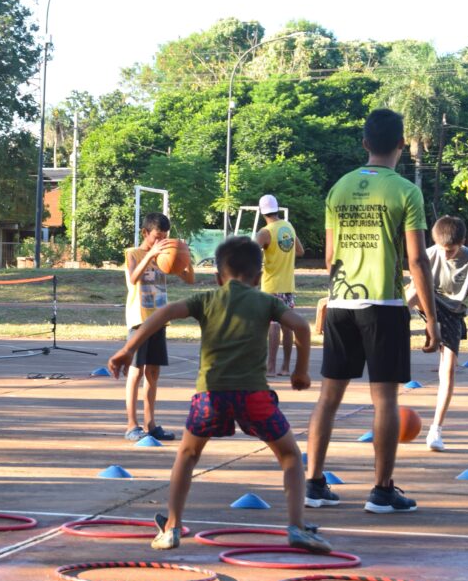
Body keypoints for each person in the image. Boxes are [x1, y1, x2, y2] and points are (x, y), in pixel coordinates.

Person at [109, 236, 331, 554]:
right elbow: (301, 326)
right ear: (258, 277)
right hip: (255, 398)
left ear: (217, 277)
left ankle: (172, 527)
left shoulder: (208, 299)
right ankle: (297, 527)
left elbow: (165, 312)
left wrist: (127, 349)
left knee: (187, 456)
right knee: (291, 457)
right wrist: (301, 371)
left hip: (210, 397)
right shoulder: (267, 301)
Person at [304, 107, 440, 515]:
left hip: (341, 303)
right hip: (382, 305)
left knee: (328, 397)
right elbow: (417, 261)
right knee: (384, 401)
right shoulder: (405, 191)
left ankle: (313, 484)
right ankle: (381, 491)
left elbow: (329, 257)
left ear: (364, 143)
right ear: (402, 144)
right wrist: (431, 317)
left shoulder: (339, 188)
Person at [404, 215, 468, 451]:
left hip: (453, 312)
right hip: (429, 300)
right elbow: (413, 287)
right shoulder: (429, 254)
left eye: (451, 251)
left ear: (462, 242)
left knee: (448, 369)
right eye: (443, 249)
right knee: (413, 291)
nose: (446, 255)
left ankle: (436, 429)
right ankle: (394, 321)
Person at [122, 212, 195, 442]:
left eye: (164, 236)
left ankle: (150, 423)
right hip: (139, 320)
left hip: (159, 319)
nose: (160, 241)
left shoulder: (165, 257)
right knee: (136, 372)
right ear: (145, 233)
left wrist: (186, 259)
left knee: (153, 373)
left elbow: (189, 279)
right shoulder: (133, 253)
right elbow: (133, 278)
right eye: (156, 236)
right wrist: (150, 254)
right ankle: (131, 425)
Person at [255, 194, 306, 377]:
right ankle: (285, 367)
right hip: (288, 285)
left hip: (271, 285)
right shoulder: (288, 227)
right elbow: (300, 251)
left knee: (273, 325)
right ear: (277, 208)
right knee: (287, 326)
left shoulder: (265, 232)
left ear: (262, 212)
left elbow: (251, 253)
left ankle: (270, 367)